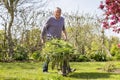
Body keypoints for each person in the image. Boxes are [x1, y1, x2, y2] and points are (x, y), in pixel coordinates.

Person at [41, 7, 75, 75]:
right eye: (57, 12)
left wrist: (65, 36)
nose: (58, 13)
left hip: (58, 40)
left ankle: (68, 69)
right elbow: (44, 28)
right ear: (54, 12)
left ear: (61, 13)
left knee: (63, 53)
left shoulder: (62, 19)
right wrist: (42, 38)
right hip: (50, 39)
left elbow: (63, 28)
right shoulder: (50, 19)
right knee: (49, 54)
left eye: (59, 12)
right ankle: (45, 70)